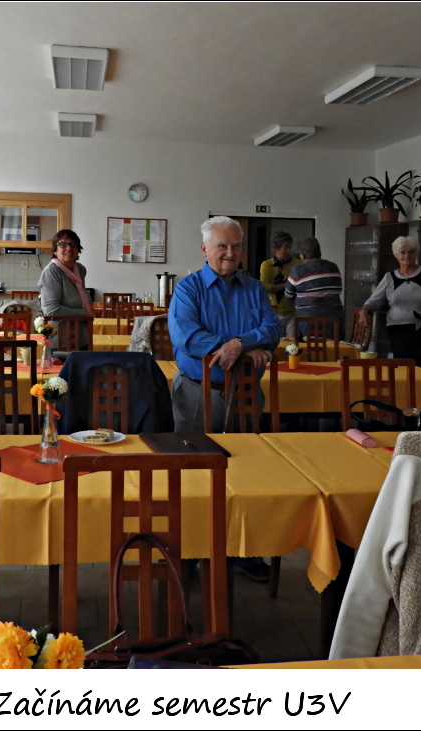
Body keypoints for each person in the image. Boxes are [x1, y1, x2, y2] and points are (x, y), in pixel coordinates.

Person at [169, 216, 279, 583]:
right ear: (204, 249)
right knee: (192, 478)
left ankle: (241, 552)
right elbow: (189, 338)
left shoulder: (254, 288)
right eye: (221, 246)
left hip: (246, 395)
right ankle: (188, 555)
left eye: (236, 246)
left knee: (247, 476)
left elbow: (273, 328)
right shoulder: (188, 290)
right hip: (198, 395)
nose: (230, 253)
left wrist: (240, 343)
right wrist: (242, 346)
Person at [358, 236, 421, 371]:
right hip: (399, 332)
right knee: (404, 371)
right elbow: (373, 301)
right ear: (396, 255)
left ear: (416, 254)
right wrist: (364, 311)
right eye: (403, 252)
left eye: (411, 252)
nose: (407, 256)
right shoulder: (389, 277)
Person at [37, 229, 93, 351]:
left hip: (82, 337)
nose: (69, 248)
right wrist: (84, 313)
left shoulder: (80, 270)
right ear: (55, 250)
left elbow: (80, 300)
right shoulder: (51, 272)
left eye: (73, 244)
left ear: (78, 249)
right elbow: (51, 311)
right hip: (61, 342)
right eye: (62, 244)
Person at [284, 236, 346, 340]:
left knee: (307, 347)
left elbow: (288, 294)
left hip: (308, 322)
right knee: (332, 347)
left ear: (303, 255)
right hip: (334, 321)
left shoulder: (298, 269)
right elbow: (338, 289)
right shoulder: (333, 266)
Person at [259, 231, 296, 337]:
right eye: (285, 248)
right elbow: (264, 287)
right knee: (276, 343)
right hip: (273, 312)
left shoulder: (297, 264)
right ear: (275, 248)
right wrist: (286, 285)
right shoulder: (266, 265)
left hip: (293, 313)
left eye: (290, 247)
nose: (288, 251)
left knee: (292, 344)